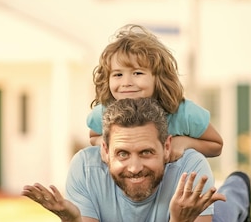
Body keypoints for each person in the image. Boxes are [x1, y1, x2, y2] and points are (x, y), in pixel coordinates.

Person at [23, 98, 251, 222]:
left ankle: (238, 184)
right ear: (104, 150)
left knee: (224, 212)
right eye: (122, 154)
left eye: (146, 153)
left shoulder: (190, 167)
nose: (134, 168)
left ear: (167, 147)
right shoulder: (85, 167)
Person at [87, 24, 223, 162]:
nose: (126, 82)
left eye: (137, 73)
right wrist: (105, 145)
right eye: (118, 75)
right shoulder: (104, 113)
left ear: (158, 77)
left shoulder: (184, 113)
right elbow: (93, 137)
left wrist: (185, 142)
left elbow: (216, 145)